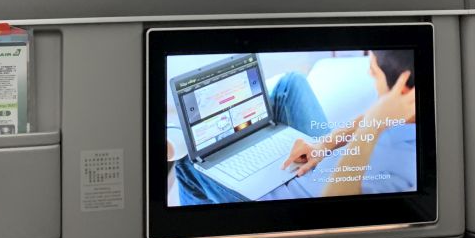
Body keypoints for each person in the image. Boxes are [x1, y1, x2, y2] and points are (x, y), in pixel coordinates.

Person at [172, 50, 416, 204]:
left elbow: (331, 221)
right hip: (316, 163)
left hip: (291, 196)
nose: (369, 74)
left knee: (188, 165)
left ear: (404, 89)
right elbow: (379, 113)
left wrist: (367, 132)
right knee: (290, 84)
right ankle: (248, 130)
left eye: (373, 70)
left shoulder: (410, 170)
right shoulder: (409, 105)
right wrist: (324, 144)